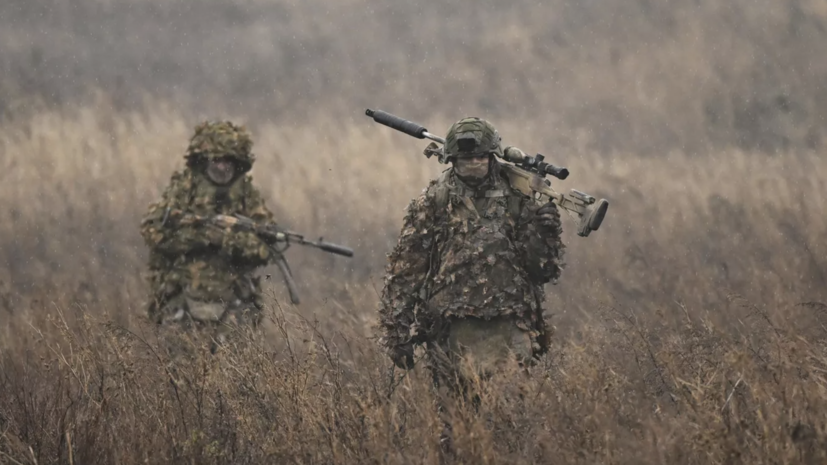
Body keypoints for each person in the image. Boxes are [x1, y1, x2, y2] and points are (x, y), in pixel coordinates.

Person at [378, 116, 566, 391]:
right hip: (450, 329)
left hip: (510, 325)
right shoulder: (434, 201)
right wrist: (397, 332)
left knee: (510, 419)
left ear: (492, 157)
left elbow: (541, 271)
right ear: (452, 161)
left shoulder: (520, 198)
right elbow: (406, 271)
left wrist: (546, 233)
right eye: (467, 159)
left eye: (481, 157)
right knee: (456, 424)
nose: (475, 164)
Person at [139, 120, 277, 349]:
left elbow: (265, 246)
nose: (222, 167)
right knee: (180, 376)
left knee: (235, 377)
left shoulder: (246, 194)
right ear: (204, 160)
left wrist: (228, 240)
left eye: (228, 161)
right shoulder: (184, 189)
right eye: (217, 160)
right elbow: (153, 231)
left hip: (234, 301)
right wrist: (201, 237)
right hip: (182, 297)